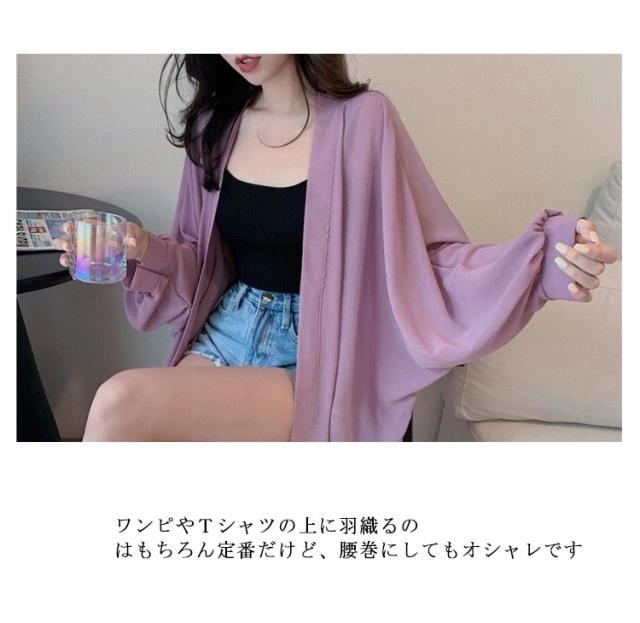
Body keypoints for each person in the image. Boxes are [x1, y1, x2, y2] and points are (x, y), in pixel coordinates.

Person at [54, 54, 617, 442]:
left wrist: (546, 256)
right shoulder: (213, 126)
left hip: (323, 352)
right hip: (227, 330)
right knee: (133, 425)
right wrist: (138, 249)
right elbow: (201, 267)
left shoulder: (364, 120)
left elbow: (426, 260)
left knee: (119, 402)